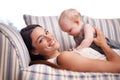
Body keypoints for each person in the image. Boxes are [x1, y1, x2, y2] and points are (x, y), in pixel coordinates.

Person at [20, 24, 120, 73]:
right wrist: (103, 44)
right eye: (41, 40)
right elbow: (117, 66)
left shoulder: (66, 54)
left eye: (46, 32)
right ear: (34, 51)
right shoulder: (64, 58)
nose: (50, 37)